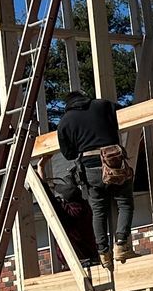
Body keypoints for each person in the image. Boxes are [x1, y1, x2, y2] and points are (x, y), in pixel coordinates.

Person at [57, 93, 135, 263]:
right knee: (124, 202)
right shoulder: (103, 105)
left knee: (98, 210)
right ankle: (121, 244)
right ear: (85, 98)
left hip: (90, 167)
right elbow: (124, 115)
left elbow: (69, 154)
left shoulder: (65, 121)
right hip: (112, 161)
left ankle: (103, 253)